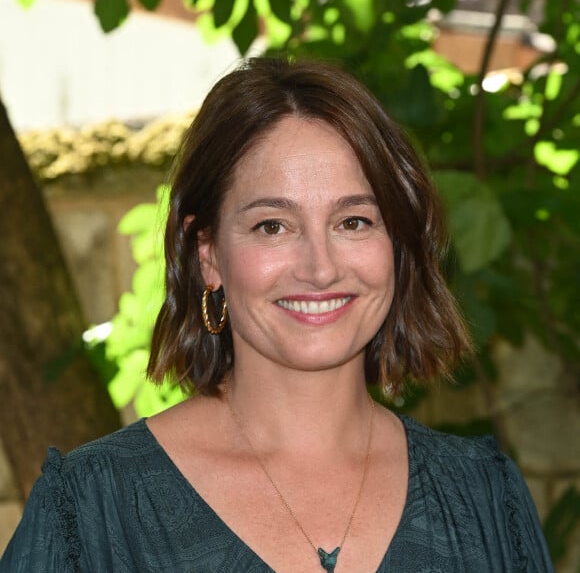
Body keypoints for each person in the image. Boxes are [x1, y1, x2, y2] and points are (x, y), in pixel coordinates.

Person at [1, 56, 553, 573]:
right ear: (208, 254)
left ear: (399, 243)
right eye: (273, 226)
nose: (320, 268)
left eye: (354, 221)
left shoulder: (486, 500)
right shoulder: (92, 514)